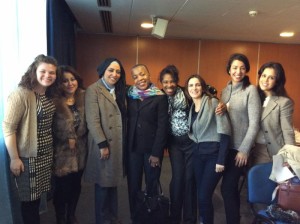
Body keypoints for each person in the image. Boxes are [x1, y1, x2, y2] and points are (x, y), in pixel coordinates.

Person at [2, 54, 58, 224]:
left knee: (38, 200)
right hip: (27, 158)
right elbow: (8, 128)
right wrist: (14, 158)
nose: (47, 75)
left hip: (45, 155)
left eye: (52, 73)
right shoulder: (20, 94)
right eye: (43, 71)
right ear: (34, 71)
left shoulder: (48, 94)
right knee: (29, 203)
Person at [84, 58, 127, 224]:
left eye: (117, 71)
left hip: (117, 143)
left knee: (113, 183)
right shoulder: (93, 90)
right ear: (103, 71)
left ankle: (113, 218)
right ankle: (102, 219)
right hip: (103, 144)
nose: (114, 74)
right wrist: (102, 144)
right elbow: (93, 120)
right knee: (103, 184)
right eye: (111, 70)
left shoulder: (120, 89)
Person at [220, 53, 261, 224]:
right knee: (229, 189)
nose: (238, 71)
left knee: (227, 188)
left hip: (239, 150)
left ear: (247, 70)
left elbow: (255, 124)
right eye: (235, 67)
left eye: (242, 68)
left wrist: (244, 150)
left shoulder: (250, 91)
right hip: (225, 148)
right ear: (229, 69)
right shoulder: (225, 90)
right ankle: (234, 219)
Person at [185, 74, 231, 224]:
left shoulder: (213, 103)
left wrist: (221, 160)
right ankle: (204, 220)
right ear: (187, 89)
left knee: (204, 195)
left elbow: (225, 133)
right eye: (191, 85)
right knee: (201, 194)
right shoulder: (192, 107)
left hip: (214, 155)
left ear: (203, 87)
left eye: (197, 85)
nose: (194, 88)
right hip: (198, 155)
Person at [126, 64, 168, 223]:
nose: (139, 79)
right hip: (133, 149)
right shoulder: (130, 95)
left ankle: (151, 216)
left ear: (149, 74)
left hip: (151, 150)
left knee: (151, 184)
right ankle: (135, 216)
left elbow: (162, 127)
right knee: (133, 186)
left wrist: (157, 153)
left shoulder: (159, 96)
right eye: (135, 77)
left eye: (142, 74)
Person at [159, 65, 196, 224]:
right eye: (165, 82)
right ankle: (174, 217)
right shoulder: (160, 97)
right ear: (161, 82)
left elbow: (206, 97)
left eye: (172, 81)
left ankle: (189, 219)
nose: (169, 85)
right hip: (174, 144)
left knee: (189, 179)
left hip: (190, 143)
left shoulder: (187, 93)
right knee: (177, 178)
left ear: (177, 81)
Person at [52, 65, 88, 224]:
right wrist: (67, 136)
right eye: (65, 81)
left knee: (76, 185)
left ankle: (71, 215)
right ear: (59, 83)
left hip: (80, 150)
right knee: (61, 189)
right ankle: (60, 217)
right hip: (61, 153)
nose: (70, 83)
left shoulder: (85, 97)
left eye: (72, 79)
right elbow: (49, 128)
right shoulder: (53, 101)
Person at [250, 62, 295, 166]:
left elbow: (288, 131)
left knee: (257, 180)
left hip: (268, 151)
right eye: (264, 75)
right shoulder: (253, 98)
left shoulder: (284, 102)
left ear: (277, 81)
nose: (265, 80)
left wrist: (289, 158)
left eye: (271, 78)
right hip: (250, 149)